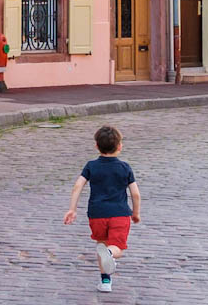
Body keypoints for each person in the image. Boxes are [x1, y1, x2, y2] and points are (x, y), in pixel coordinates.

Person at [63, 125, 141, 293]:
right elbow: (135, 194)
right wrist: (135, 213)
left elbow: (77, 186)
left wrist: (72, 209)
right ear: (120, 146)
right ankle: (110, 255)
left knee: (102, 244)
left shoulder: (91, 166)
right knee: (116, 248)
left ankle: (105, 282)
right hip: (119, 214)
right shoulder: (125, 167)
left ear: (96, 146)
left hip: (97, 214)